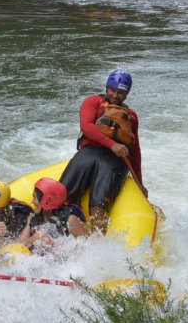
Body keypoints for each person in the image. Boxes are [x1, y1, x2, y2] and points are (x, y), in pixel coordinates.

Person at [59, 69, 146, 234]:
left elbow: (135, 151)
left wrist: (139, 183)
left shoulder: (131, 116)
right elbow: (86, 126)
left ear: (126, 94)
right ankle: (60, 231)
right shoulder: (93, 102)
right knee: (62, 196)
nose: (115, 95)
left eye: (120, 93)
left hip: (114, 160)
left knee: (98, 209)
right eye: (112, 90)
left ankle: (95, 241)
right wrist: (112, 144)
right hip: (89, 152)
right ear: (107, 88)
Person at [6, 177, 87, 251]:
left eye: (35, 197)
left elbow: (88, 245)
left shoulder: (70, 219)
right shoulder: (33, 217)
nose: (32, 201)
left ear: (47, 200)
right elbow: (21, 244)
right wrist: (34, 236)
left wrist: (51, 243)